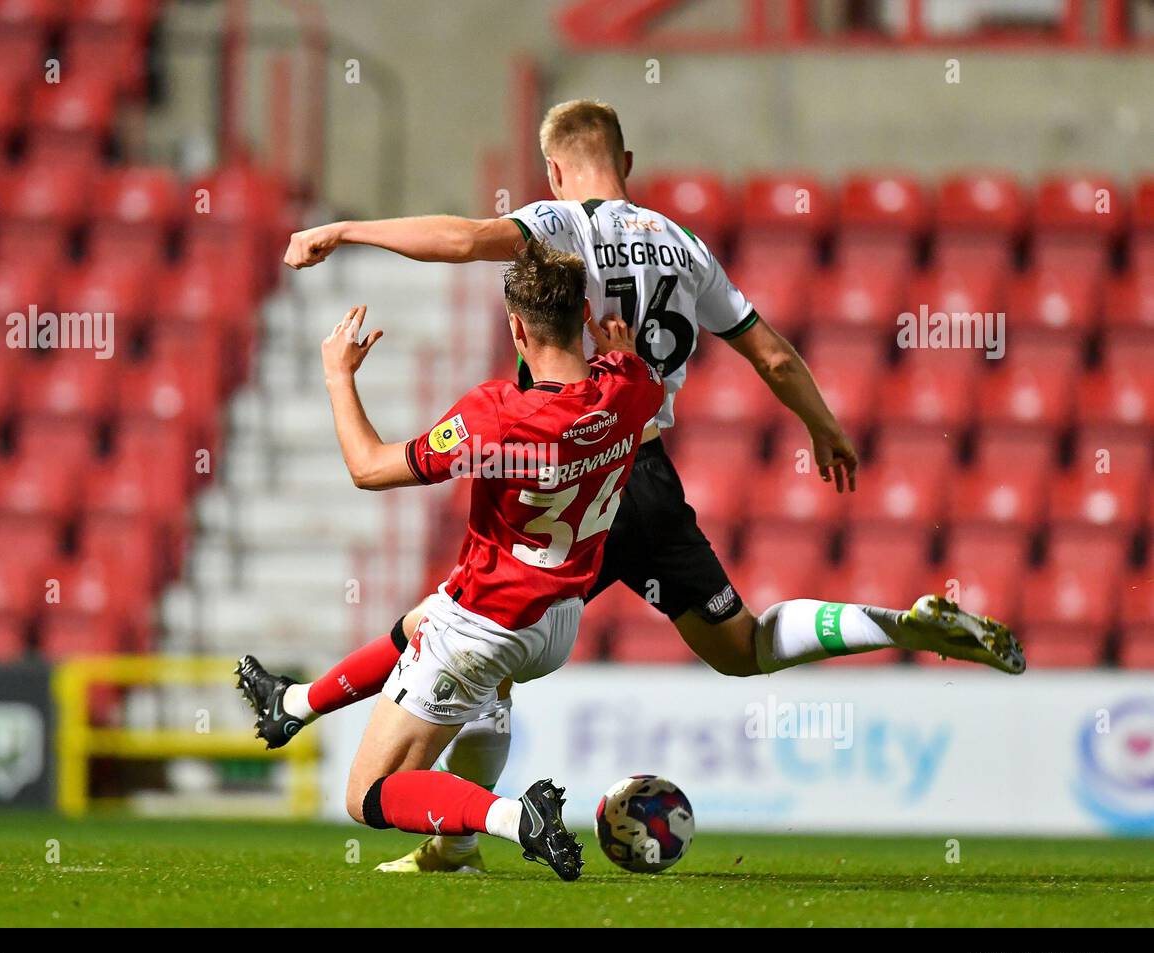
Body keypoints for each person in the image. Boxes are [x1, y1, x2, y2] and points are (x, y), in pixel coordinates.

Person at [241, 99, 1025, 874]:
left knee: (467, 624)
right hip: (632, 457)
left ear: (552, 172)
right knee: (742, 647)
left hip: (554, 467)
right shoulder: (686, 248)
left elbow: (462, 239)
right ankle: (891, 624)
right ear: (627, 164)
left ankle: (454, 823)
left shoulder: (561, 226)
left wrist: (346, 231)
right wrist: (823, 427)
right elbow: (775, 357)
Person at [239, 239, 665, 880]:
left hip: (486, 624)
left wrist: (337, 375)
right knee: (424, 623)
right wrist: (620, 347)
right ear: (582, 316)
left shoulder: (495, 415)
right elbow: (625, 369)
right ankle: (295, 705)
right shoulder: (632, 387)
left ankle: (516, 820)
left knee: (368, 794)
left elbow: (368, 468)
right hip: (558, 620)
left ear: (515, 327)